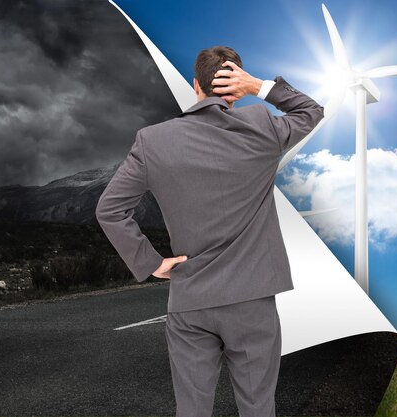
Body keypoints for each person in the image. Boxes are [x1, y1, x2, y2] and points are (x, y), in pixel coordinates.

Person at [95, 45, 324, 417]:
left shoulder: (153, 141)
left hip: (190, 301)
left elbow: (109, 209)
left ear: (195, 85)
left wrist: (151, 263)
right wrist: (257, 87)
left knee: (192, 411)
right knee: (257, 409)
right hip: (253, 301)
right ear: (233, 87)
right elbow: (311, 111)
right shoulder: (263, 128)